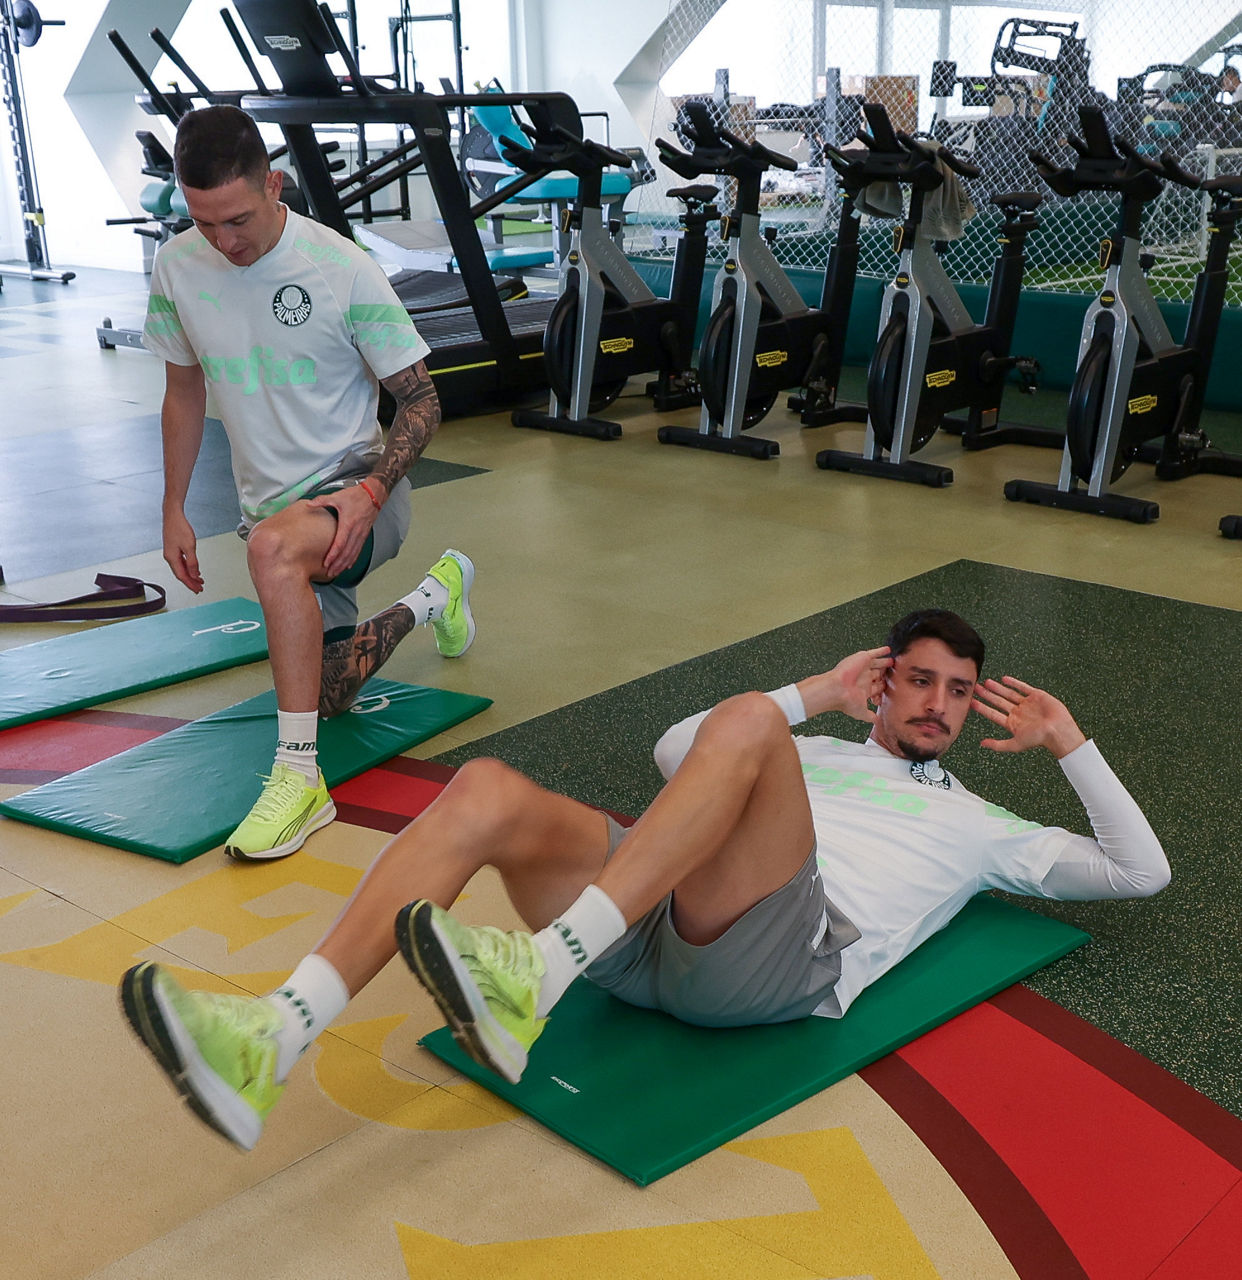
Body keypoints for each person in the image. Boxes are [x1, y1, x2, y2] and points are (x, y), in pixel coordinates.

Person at [119, 609, 1169, 1151]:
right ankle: (277, 1030)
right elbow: (678, 751)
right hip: (651, 920)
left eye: (960, 691)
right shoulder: (811, 743)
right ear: (884, 684)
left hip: (777, 958)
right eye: (919, 680)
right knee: (485, 790)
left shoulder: (982, 824)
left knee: (745, 726)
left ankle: (538, 971)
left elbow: (1139, 870)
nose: (938, 703)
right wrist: (814, 692)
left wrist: (1070, 743)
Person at [142, 105, 476, 862]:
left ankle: (299, 782)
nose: (224, 242)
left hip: (357, 490)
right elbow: (183, 391)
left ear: (274, 184)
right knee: (328, 694)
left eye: (237, 219)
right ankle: (437, 596)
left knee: (271, 548)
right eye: (204, 222)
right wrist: (171, 508)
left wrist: (371, 494)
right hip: (272, 509)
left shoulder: (340, 267)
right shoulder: (177, 265)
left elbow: (422, 401)